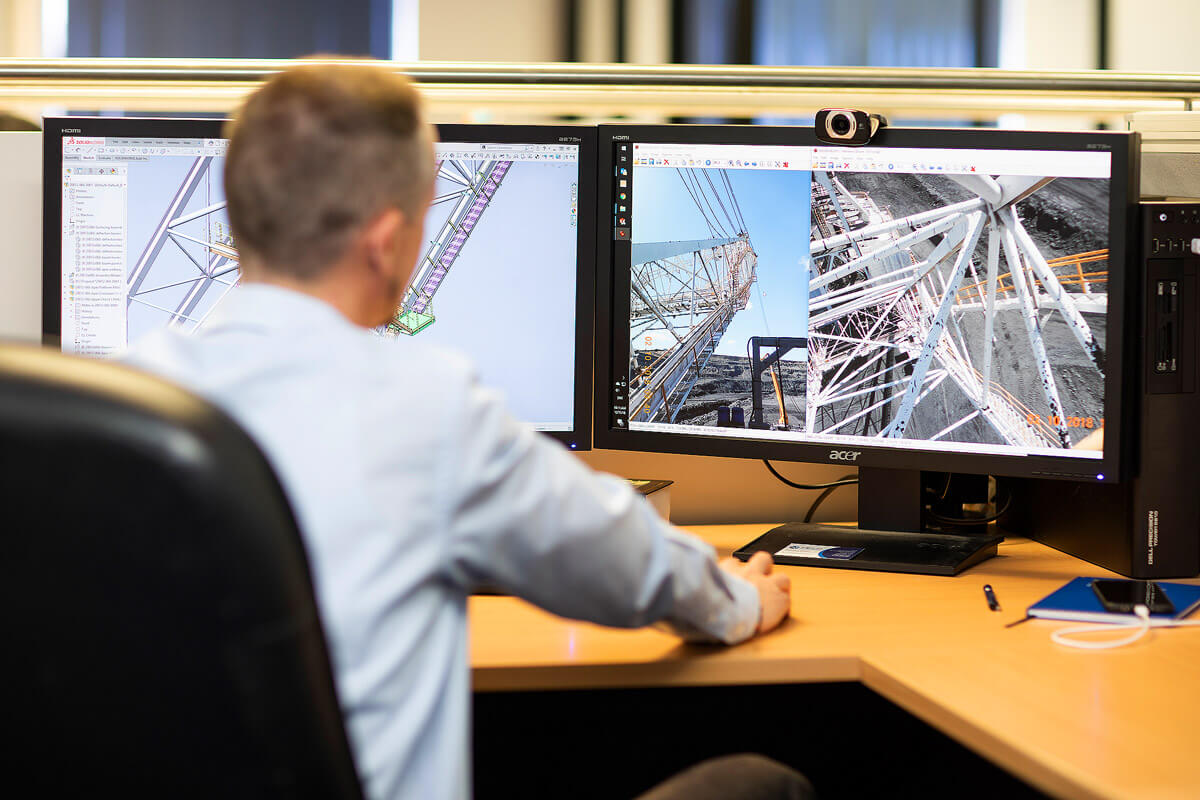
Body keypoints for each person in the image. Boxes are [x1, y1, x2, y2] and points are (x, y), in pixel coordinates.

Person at [125, 63, 809, 800]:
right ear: (386, 242)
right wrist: (734, 598)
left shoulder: (121, 401)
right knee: (761, 784)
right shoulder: (422, 406)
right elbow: (623, 562)